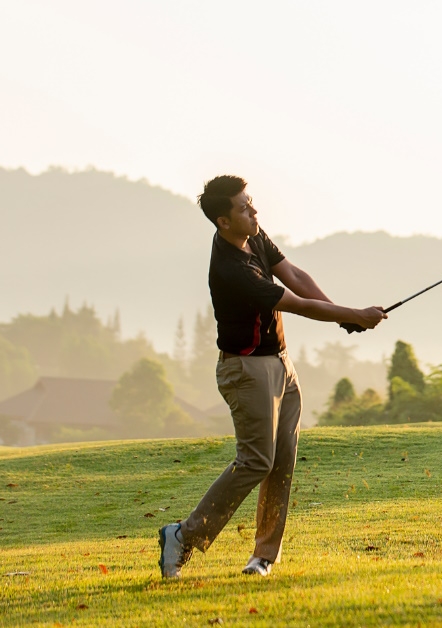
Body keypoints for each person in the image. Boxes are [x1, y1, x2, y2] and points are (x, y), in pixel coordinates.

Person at [159, 175, 386, 578]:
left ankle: (263, 556)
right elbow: (295, 303)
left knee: (281, 462)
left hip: (280, 362)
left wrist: (342, 316)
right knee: (256, 461)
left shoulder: (253, 236)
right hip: (246, 370)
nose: (254, 211)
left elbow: (294, 275)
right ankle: (183, 535)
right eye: (244, 208)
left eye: (251, 203)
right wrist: (353, 315)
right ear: (223, 221)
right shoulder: (233, 269)